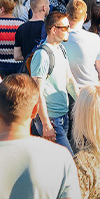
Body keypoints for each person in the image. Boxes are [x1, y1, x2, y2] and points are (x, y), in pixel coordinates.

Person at [31, 11, 78, 153]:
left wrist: (82, 104)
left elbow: (69, 80)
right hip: (51, 119)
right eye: (65, 27)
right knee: (69, 159)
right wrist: (46, 124)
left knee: (56, 162)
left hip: (63, 116)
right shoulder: (42, 55)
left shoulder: (61, 49)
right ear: (53, 29)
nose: (69, 30)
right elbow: (37, 91)